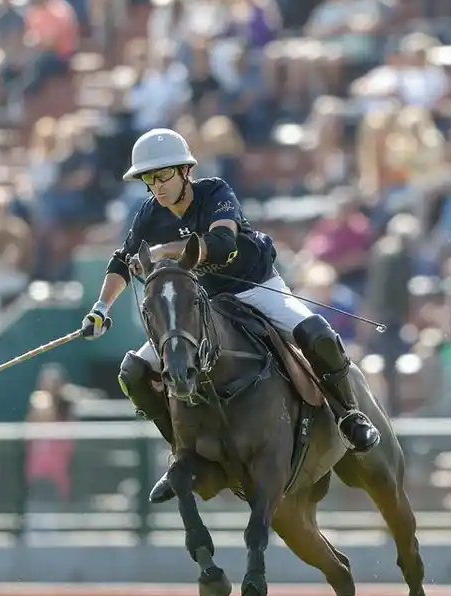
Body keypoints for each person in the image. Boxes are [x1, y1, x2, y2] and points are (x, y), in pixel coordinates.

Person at [79, 127, 381, 504]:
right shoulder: (149, 214)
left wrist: (161, 251)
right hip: (205, 303)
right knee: (133, 373)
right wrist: (100, 308)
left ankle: (349, 416)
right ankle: (180, 455)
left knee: (317, 334)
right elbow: (122, 261)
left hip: (255, 286)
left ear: (185, 172)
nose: (157, 186)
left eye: (163, 175)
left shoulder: (215, 193)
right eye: (148, 179)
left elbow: (222, 244)